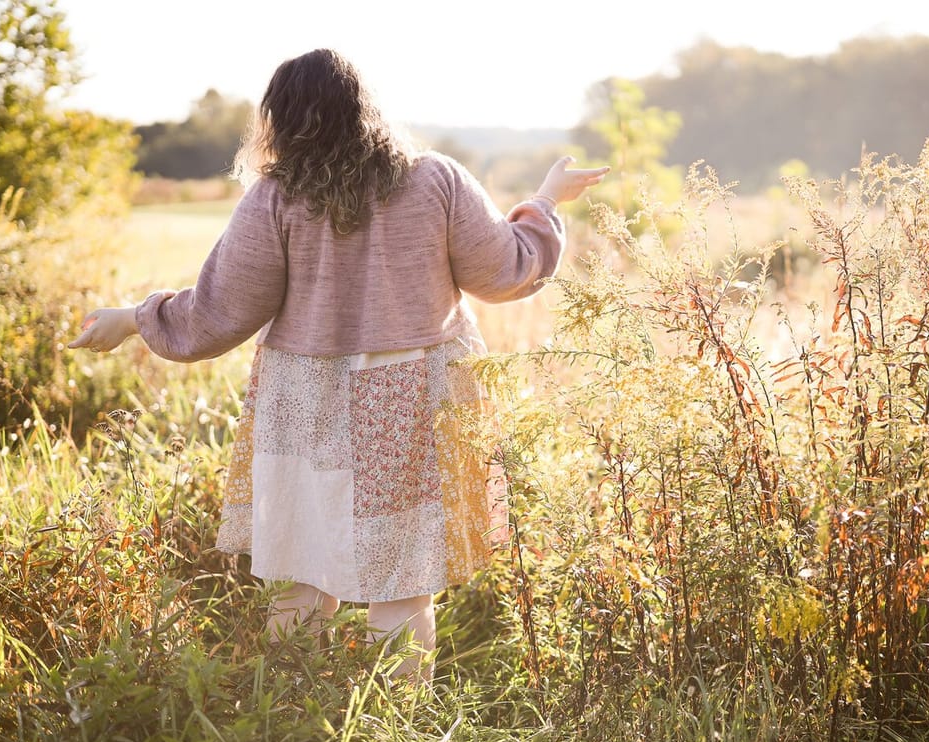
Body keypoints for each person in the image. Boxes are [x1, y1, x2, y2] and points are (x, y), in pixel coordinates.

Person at [70, 48, 608, 683]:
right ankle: (394, 725)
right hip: (413, 394)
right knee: (403, 576)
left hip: (305, 396)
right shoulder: (434, 178)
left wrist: (134, 316)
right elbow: (505, 271)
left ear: (280, 120)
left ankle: (293, 709)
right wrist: (546, 200)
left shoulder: (275, 197)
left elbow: (218, 312)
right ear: (366, 109)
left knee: (299, 563)